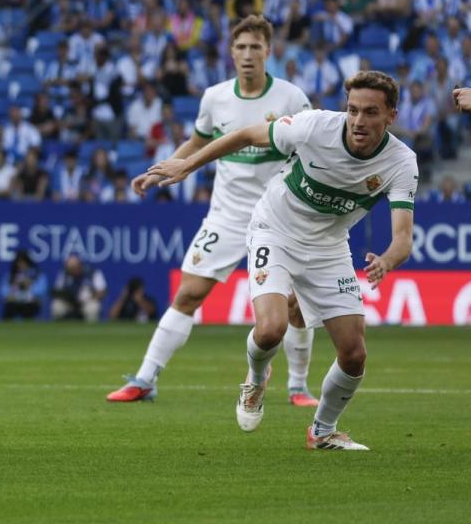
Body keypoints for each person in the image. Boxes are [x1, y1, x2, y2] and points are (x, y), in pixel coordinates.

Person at [150, 70, 417, 450]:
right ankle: (256, 379)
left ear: (391, 115)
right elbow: (245, 135)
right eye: (352, 110)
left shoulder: (401, 162)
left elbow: (403, 238)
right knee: (271, 329)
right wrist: (187, 165)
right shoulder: (312, 127)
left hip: (328, 247)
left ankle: (323, 431)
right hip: (273, 229)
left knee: (354, 353)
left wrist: (388, 261)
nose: (358, 121)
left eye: (371, 112)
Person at [108, 16, 319, 406]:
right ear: (231, 52)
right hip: (227, 215)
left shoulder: (291, 98)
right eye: (241, 47)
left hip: (279, 218)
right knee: (188, 294)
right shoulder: (215, 98)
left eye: (256, 47)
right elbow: (197, 141)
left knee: (294, 306)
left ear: (268, 52)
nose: (248, 55)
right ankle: (145, 379)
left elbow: (311, 149)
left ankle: (298, 386)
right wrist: (158, 171)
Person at [50, 253, 107, 323]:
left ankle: (91, 332)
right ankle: (59, 331)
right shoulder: (64, 273)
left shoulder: (92, 273)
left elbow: (102, 291)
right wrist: (66, 297)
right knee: (57, 306)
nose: (71, 271)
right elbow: (58, 290)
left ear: (79, 266)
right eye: (69, 269)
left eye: (73, 268)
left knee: (93, 308)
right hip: (69, 303)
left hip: (87, 302)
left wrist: (89, 297)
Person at [0, 250, 47, 320]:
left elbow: (42, 291)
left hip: (30, 303)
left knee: (29, 308)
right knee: (9, 307)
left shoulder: (36, 274)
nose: (21, 265)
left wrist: (30, 286)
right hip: (15, 302)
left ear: (28, 262)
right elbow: (3, 291)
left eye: (24, 262)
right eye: (19, 262)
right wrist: (12, 289)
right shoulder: (11, 276)